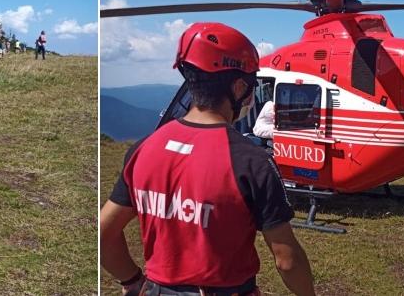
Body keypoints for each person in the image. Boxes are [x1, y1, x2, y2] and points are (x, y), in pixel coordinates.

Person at [100, 22, 315, 296]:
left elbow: (104, 234)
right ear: (238, 88)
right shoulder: (252, 162)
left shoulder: (144, 149)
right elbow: (287, 260)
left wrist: (131, 281)